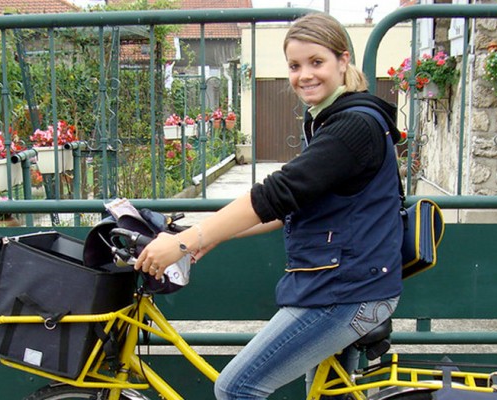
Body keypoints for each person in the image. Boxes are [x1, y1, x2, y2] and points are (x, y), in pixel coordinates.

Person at [135, 12, 403, 400]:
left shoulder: (352, 128)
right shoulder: (332, 121)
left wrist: (186, 239)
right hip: (341, 286)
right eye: (295, 66)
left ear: (343, 61)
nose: (304, 75)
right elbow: (285, 209)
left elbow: (276, 194)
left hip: (347, 294)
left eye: (317, 62)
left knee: (237, 388)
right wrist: (204, 238)